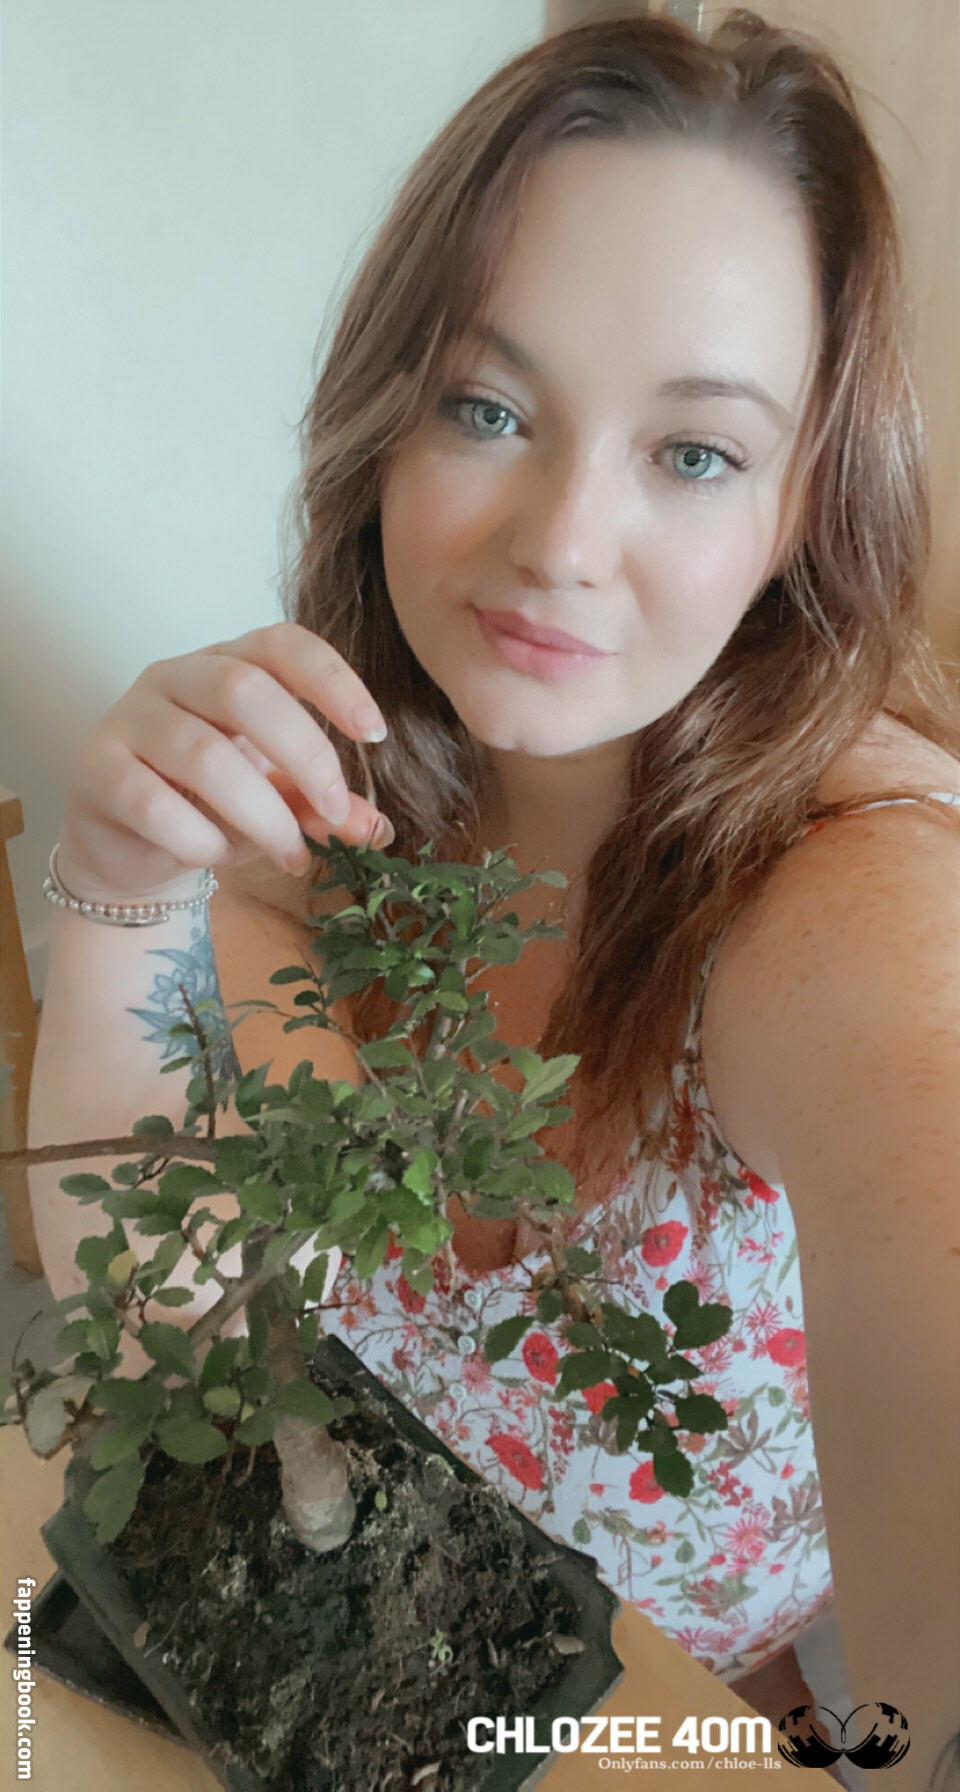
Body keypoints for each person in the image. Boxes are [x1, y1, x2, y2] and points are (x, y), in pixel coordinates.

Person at [26, 10, 959, 1782]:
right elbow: (168, 1346)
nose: (559, 542)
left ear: (797, 511)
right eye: (489, 406)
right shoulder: (315, 822)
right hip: (387, 1645)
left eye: (696, 452)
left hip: (686, 1714)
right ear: (384, 422)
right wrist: (123, 901)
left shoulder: (852, 890)